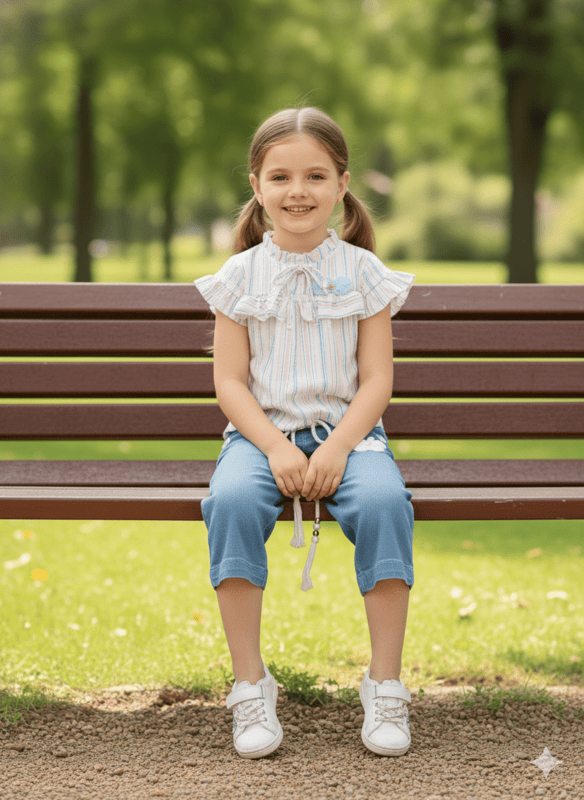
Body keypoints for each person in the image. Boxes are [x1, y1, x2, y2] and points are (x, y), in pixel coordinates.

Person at [194, 107, 415, 760]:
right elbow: (230, 382)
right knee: (232, 502)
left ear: (342, 184)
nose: (298, 190)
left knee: (384, 503)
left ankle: (385, 685)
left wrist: (340, 445)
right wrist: (274, 446)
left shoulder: (364, 272)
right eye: (281, 176)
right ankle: (250, 686)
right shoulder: (238, 276)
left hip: (353, 437)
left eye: (316, 175)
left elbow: (377, 380)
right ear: (257, 186)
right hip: (260, 438)